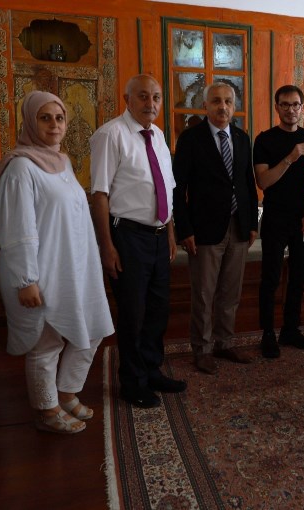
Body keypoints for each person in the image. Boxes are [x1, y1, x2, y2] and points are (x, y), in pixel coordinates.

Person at [0, 90, 113, 434]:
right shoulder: (21, 168)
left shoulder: (63, 162)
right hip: (43, 271)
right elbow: (18, 229)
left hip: (75, 268)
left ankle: (67, 391)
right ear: (30, 122)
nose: (54, 125)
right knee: (47, 342)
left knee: (92, 331)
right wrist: (26, 280)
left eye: (59, 118)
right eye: (45, 118)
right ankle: (46, 409)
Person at [90, 74, 186, 408]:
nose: (151, 103)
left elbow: (166, 188)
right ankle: (132, 382)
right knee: (133, 312)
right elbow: (99, 195)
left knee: (158, 310)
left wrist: (169, 232)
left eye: (156, 97)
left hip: (159, 237)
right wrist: (106, 246)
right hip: (128, 237)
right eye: (143, 96)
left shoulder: (157, 135)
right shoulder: (110, 135)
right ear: (127, 99)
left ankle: (151, 370)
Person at [172, 82, 258, 374]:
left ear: (234, 106)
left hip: (239, 226)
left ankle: (225, 342)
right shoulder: (190, 139)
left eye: (228, 102)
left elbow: (248, 183)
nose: (223, 107)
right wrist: (184, 230)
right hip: (204, 229)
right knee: (204, 293)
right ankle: (203, 348)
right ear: (205, 106)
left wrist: (252, 224)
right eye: (216, 101)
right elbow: (178, 188)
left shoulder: (242, 138)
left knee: (230, 292)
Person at [253, 85, 304, 358]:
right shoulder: (264, 140)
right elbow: (263, 181)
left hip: (303, 218)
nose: (291, 109)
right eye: (285, 104)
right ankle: (268, 333)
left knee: (298, 277)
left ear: (302, 108)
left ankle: (290, 329)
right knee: (270, 278)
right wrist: (290, 158)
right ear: (277, 107)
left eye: (295, 105)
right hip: (274, 217)